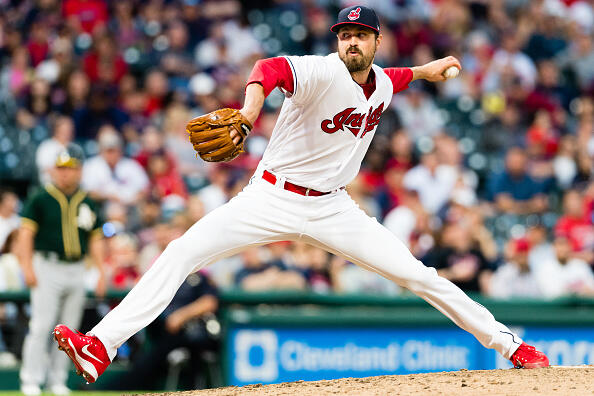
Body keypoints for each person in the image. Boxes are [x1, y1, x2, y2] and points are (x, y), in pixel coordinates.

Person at [54, 6, 549, 385]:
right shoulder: (322, 70)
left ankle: (510, 346)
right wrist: (248, 114)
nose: (351, 42)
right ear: (338, 41)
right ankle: (100, 345)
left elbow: (393, 78)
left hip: (334, 207)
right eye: (345, 35)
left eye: (360, 35)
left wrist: (426, 70)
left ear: (377, 40)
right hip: (268, 198)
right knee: (181, 251)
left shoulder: (381, 83)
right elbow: (268, 68)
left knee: (419, 275)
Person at [16, 144, 106, 395]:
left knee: (70, 331)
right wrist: (26, 266)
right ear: (53, 171)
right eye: (60, 168)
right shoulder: (41, 197)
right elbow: (25, 234)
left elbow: (96, 239)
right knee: (42, 326)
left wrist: (101, 271)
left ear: (79, 170)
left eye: (70, 168)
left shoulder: (87, 200)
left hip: (77, 268)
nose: (64, 173)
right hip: (47, 265)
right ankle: (30, 380)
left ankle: (57, 380)